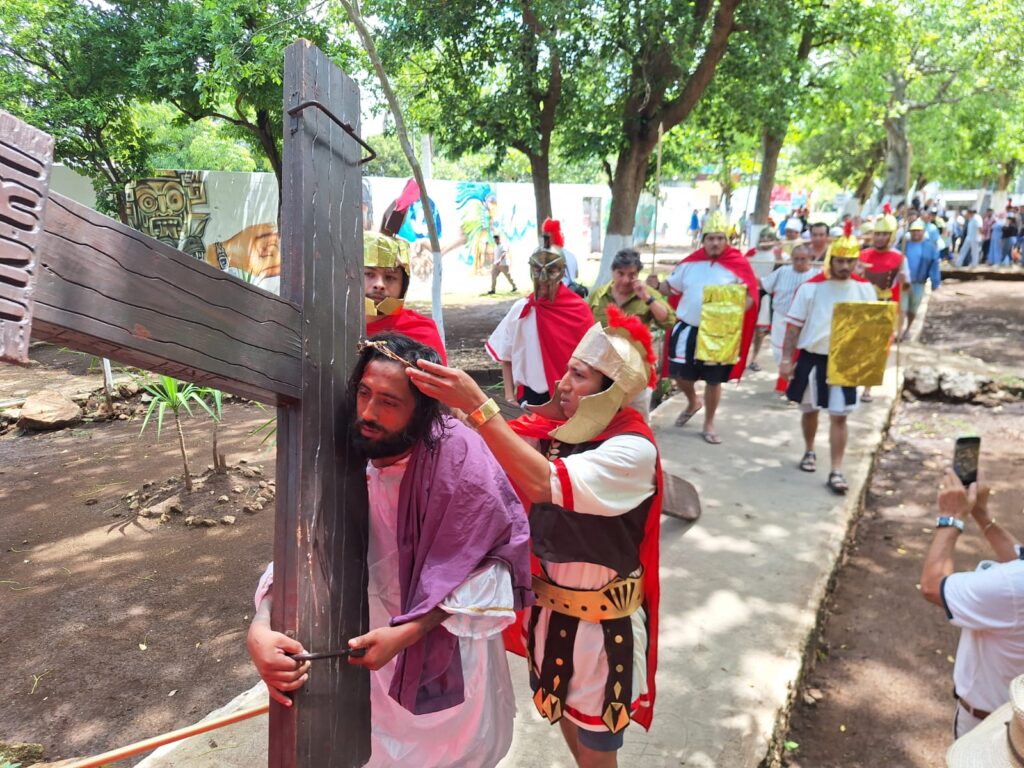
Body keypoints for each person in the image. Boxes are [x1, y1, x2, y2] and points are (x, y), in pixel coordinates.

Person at [247, 333, 533, 768]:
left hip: (449, 662)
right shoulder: (347, 449)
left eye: (388, 402)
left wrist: (410, 631)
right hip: (369, 658)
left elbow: (492, 569)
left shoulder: (460, 460)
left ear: (423, 410)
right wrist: (262, 624)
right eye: (364, 393)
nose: (367, 413)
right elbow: (308, 544)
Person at [407, 306, 662, 768]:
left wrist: (479, 407)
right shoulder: (556, 434)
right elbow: (489, 447)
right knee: (560, 709)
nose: (563, 383)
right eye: (567, 370)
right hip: (551, 617)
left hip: (604, 633)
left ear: (610, 392)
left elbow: (544, 482)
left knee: (598, 744)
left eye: (579, 376)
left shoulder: (632, 450)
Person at [921, 469, 1024, 739]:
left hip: (990, 727)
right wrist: (982, 515)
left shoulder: (1012, 585)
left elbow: (933, 586)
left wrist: (951, 518)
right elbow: (1020, 559)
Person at [780, 223, 877, 494]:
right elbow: (794, 327)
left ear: (856, 261)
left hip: (845, 361)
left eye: (850, 261)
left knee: (839, 416)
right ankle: (810, 450)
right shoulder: (811, 289)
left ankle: (836, 469)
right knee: (809, 410)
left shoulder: (865, 290)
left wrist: (870, 364)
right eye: (840, 260)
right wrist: (786, 360)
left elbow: (872, 331)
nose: (845, 266)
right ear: (831, 260)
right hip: (813, 357)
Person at [654, 210, 758, 444]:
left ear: (727, 240)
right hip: (688, 328)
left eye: (720, 238)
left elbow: (750, 297)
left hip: (720, 333)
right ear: (703, 240)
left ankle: (709, 423)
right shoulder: (690, 264)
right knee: (678, 373)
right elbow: (670, 289)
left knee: (714, 380)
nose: (715, 242)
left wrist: (731, 315)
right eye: (711, 238)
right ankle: (693, 401)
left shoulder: (737, 265)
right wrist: (656, 285)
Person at [486, 219, 595, 407]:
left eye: (550, 271)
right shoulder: (522, 309)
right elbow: (506, 356)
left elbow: (592, 362)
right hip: (530, 399)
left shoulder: (578, 310)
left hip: (571, 400)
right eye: (537, 270)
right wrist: (510, 396)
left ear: (560, 272)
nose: (543, 279)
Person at [364, 231, 447, 363]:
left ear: (403, 285)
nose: (379, 285)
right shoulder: (329, 323)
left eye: (390, 277)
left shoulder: (421, 333)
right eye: (369, 274)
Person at [857, 205, 908, 401]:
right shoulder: (863, 255)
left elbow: (905, 288)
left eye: (883, 234)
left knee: (877, 350)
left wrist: (903, 281)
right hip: (863, 304)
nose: (879, 238)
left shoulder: (899, 258)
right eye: (877, 234)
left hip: (884, 306)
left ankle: (868, 387)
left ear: (891, 236)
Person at [761, 243, 820, 387]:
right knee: (779, 352)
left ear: (810, 258)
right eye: (796, 259)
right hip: (781, 317)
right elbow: (765, 285)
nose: (799, 263)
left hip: (806, 322)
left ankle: (796, 383)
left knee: (801, 353)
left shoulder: (817, 275)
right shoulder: (782, 271)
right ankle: (786, 380)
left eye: (803, 259)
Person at [588, 248, 673, 331]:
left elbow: (669, 321)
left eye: (632, 275)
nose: (626, 280)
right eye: (621, 274)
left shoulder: (647, 293)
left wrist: (647, 298)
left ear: (638, 274)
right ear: (612, 271)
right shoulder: (598, 295)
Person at [745, 226, 784, 371]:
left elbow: (781, 271)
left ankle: (753, 359)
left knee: (760, 331)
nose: (765, 240)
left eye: (769, 238)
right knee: (744, 327)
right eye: (763, 237)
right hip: (749, 294)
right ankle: (740, 357)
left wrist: (779, 256)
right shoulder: (751, 253)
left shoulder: (778, 255)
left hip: (766, 295)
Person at [900, 219, 941, 340]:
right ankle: (900, 330)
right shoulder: (904, 245)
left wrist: (935, 282)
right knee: (902, 307)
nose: (916, 234)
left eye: (918, 231)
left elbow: (934, 266)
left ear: (923, 232)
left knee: (913, 308)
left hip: (919, 282)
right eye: (913, 231)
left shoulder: (930, 248)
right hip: (904, 282)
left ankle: (908, 328)